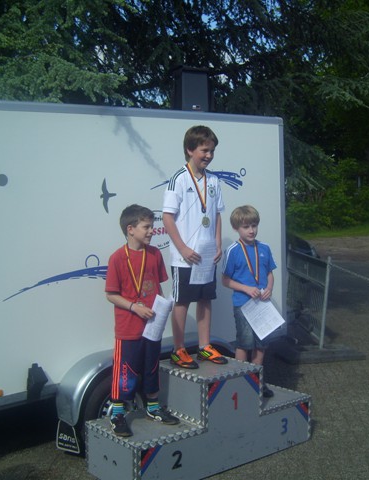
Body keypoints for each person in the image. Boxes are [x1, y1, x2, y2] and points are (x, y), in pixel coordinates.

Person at [105, 204, 179, 437]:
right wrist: (134, 307)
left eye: (152, 226)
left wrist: (163, 307)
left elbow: (157, 287)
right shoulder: (117, 258)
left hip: (152, 327)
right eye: (146, 227)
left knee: (151, 367)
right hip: (128, 328)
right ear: (131, 229)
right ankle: (117, 414)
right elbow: (111, 294)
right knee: (125, 372)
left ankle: (153, 408)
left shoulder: (154, 254)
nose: (151, 231)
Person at [163, 125, 228, 369]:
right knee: (182, 301)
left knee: (205, 299)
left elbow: (217, 215)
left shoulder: (214, 180)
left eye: (212, 151)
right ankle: (178, 349)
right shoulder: (178, 179)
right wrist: (182, 248)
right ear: (190, 150)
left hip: (206, 255)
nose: (209, 155)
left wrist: (218, 243)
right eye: (204, 150)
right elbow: (167, 217)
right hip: (185, 256)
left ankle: (204, 346)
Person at [222, 205, 277, 397]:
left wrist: (269, 288)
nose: (251, 230)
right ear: (236, 228)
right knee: (244, 343)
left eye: (254, 225)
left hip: (262, 305)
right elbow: (225, 280)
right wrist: (246, 288)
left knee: (261, 345)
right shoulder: (233, 251)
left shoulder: (264, 248)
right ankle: (240, 381)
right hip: (243, 305)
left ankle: (257, 381)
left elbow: (269, 273)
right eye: (246, 227)